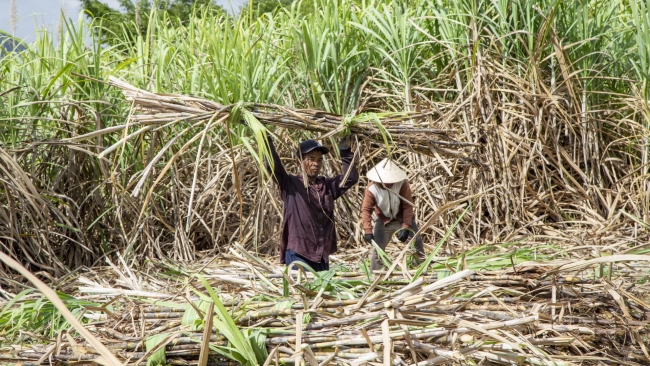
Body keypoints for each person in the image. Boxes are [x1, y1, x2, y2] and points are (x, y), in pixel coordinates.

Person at [265, 133, 359, 272]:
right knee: (302, 292)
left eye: (320, 160)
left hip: (321, 255)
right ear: (299, 161)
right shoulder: (290, 184)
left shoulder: (327, 186)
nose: (316, 163)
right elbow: (273, 165)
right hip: (299, 254)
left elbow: (350, 177)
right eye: (311, 159)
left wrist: (345, 152)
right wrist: (266, 139)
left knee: (321, 292)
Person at [361, 158, 425, 271]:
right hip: (383, 221)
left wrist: (406, 227)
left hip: (402, 219)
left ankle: (420, 270)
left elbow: (408, 206)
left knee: (417, 245)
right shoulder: (372, 188)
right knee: (378, 250)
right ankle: (376, 274)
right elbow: (366, 210)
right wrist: (368, 231)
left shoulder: (402, 184)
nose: (388, 183)